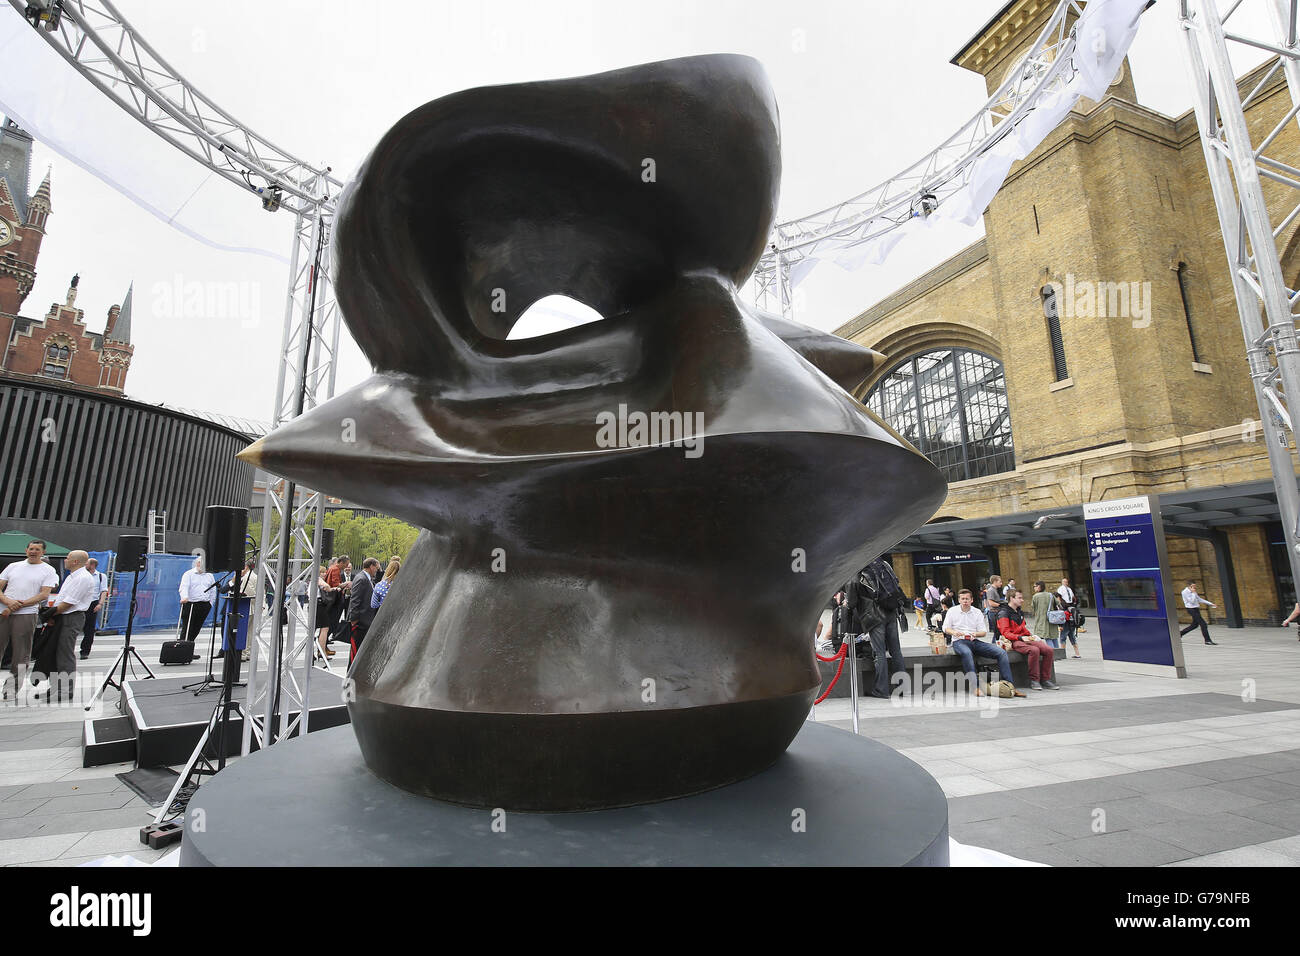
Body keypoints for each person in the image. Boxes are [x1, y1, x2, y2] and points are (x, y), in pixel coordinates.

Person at [0, 539, 59, 699]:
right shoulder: (13, 566)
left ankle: (11, 689)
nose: (33, 551)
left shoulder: (48, 570)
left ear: (43, 552)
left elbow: (44, 594)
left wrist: (19, 604)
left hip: (26, 613)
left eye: (37, 549)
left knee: (21, 653)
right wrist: (8, 602)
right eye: (31, 548)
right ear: (26, 550)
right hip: (4, 610)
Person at [39, 550, 98, 701]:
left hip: (71, 617)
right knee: (56, 651)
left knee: (65, 653)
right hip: (62, 615)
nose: (65, 560)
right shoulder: (73, 576)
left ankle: (65, 689)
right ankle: (57, 686)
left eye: (68, 558)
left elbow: (69, 602)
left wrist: (50, 613)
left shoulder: (82, 578)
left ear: (75, 562)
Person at [942, 588, 1016, 696]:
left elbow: (983, 632)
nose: (965, 601)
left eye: (967, 599)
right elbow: (945, 628)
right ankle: (975, 687)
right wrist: (954, 632)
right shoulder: (952, 611)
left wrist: (974, 634)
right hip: (959, 641)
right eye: (962, 599)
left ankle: (1009, 686)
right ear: (959, 600)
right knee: (967, 653)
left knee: (1001, 652)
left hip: (974, 640)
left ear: (972, 600)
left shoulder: (976, 612)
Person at [852, 557, 905, 699]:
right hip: (891, 612)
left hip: (874, 616)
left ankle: (881, 690)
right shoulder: (884, 564)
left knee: (879, 652)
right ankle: (901, 688)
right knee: (896, 651)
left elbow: (852, 600)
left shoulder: (858, 569)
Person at [997, 590, 1059, 690]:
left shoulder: (1019, 611)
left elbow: (1023, 627)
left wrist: (1031, 636)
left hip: (1023, 638)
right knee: (1034, 650)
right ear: (1012, 598)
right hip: (1013, 641)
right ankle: (1034, 680)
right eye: (1019, 598)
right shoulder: (1003, 613)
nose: (1022, 600)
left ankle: (1045, 679)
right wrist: (1021, 637)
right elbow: (1005, 633)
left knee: (1048, 650)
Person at [348, 558, 381, 660]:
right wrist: (354, 619)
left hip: (365, 620)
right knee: (356, 649)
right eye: (376, 568)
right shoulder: (361, 579)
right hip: (360, 622)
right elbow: (355, 600)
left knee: (360, 649)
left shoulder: (366, 579)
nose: (377, 570)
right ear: (371, 566)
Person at [77, 557, 109, 661]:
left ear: (92, 565)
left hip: (92, 602)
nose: (84, 565)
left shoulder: (101, 576)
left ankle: (85, 651)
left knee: (89, 629)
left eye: (86, 563)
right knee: (75, 626)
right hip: (80, 602)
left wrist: (100, 603)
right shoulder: (81, 575)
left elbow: (104, 590)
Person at [178, 556, 215, 643]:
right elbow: (184, 587)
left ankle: (190, 648)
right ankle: (183, 648)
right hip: (190, 604)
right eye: (200, 563)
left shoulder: (209, 575)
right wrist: (184, 597)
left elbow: (213, 590)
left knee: (197, 628)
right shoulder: (188, 574)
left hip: (204, 604)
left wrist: (211, 603)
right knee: (187, 628)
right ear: (197, 564)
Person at [1055, 577, 1080, 657]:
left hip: (1066, 619)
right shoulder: (1070, 590)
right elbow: (1074, 599)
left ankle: (1063, 654)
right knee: (1072, 637)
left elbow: (1061, 615)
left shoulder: (1061, 590)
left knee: (1063, 637)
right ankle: (1077, 653)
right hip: (1072, 618)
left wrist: (1060, 626)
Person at [1030, 581, 1053, 646]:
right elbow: (1057, 604)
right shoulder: (1050, 595)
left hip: (1041, 620)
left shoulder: (1035, 596)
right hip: (1052, 619)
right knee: (1053, 637)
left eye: (1034, 586)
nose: (1034, 588)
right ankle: (1058, 652)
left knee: (1045, 637)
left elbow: (1033, 608)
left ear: (1039, 587)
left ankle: (1052, 653)